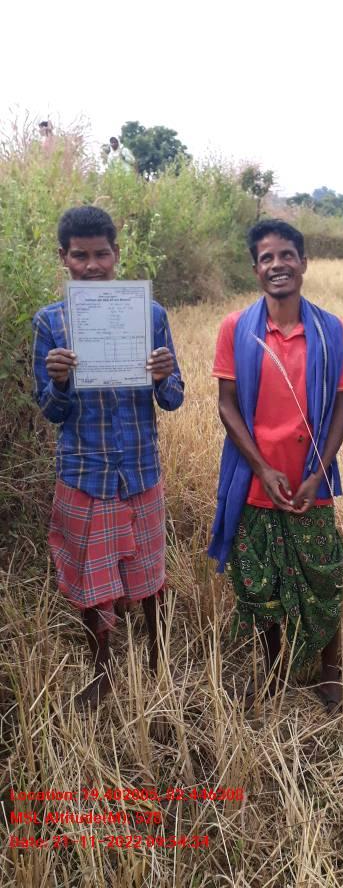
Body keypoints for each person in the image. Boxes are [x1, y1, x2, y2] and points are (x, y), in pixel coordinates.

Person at [32, 206, 184, 710]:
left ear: (117, 254)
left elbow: (173, 399)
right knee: (91, 580)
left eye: (101, 254)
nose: (92, 265)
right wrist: (58, 381)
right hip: (84, 471)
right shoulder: (50, 323)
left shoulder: (150, 315)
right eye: (81, 255)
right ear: (64, 257)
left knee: (150, 573)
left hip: (139, 469)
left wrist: (163, 375)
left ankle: (157, 660)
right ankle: (102, 668)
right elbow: (51, 411)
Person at [209, 219, 343, 712]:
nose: (278, 265)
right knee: (261, 584)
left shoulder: (330, 330)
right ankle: (274, 671)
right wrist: (261, 468)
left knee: (323, 577)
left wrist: (318, 473)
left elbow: (340, 409)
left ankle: (330, 673)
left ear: (303, 262)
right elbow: (227, 405)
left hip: (311, 482)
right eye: (267, 258)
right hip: (254, 483)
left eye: (287, 255)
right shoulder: (236, 329)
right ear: (256, 269)